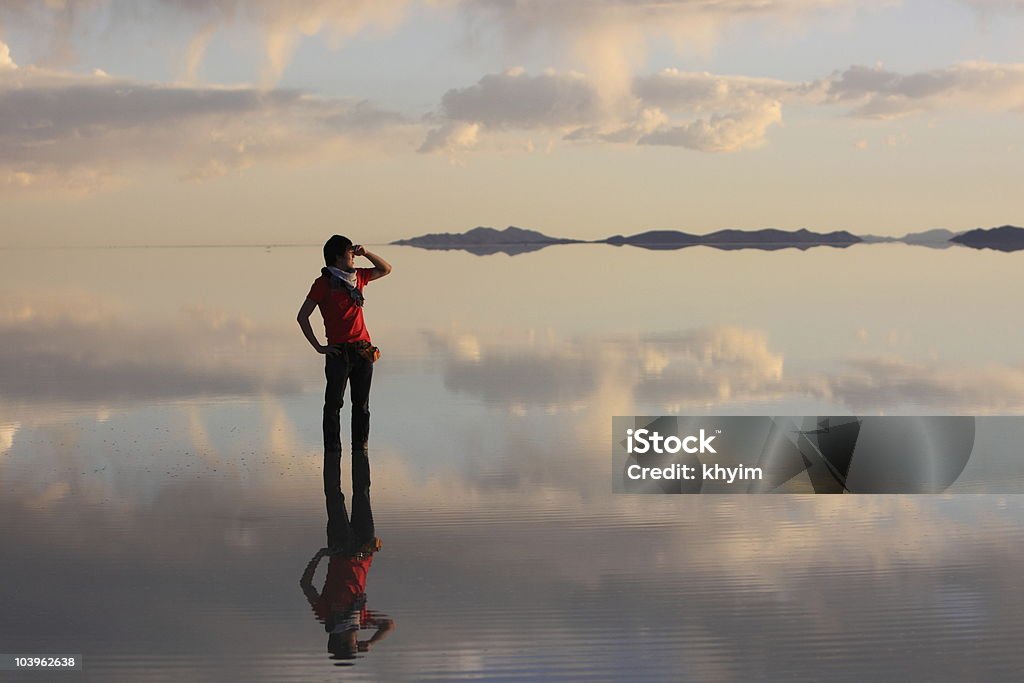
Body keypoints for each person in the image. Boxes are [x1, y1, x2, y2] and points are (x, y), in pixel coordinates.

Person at [297, 235, 392, 551]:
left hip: (363, 352)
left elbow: (387, 268)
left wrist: (367, 252)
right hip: (338, 354)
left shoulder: (359, 276)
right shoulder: (323, 284)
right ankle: (332, 451)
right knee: (333, 405)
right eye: (350, 253)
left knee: (361, 407)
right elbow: (302, 317)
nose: (354, 257)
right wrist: (320, 348)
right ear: (338, 257)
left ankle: (360, 451)